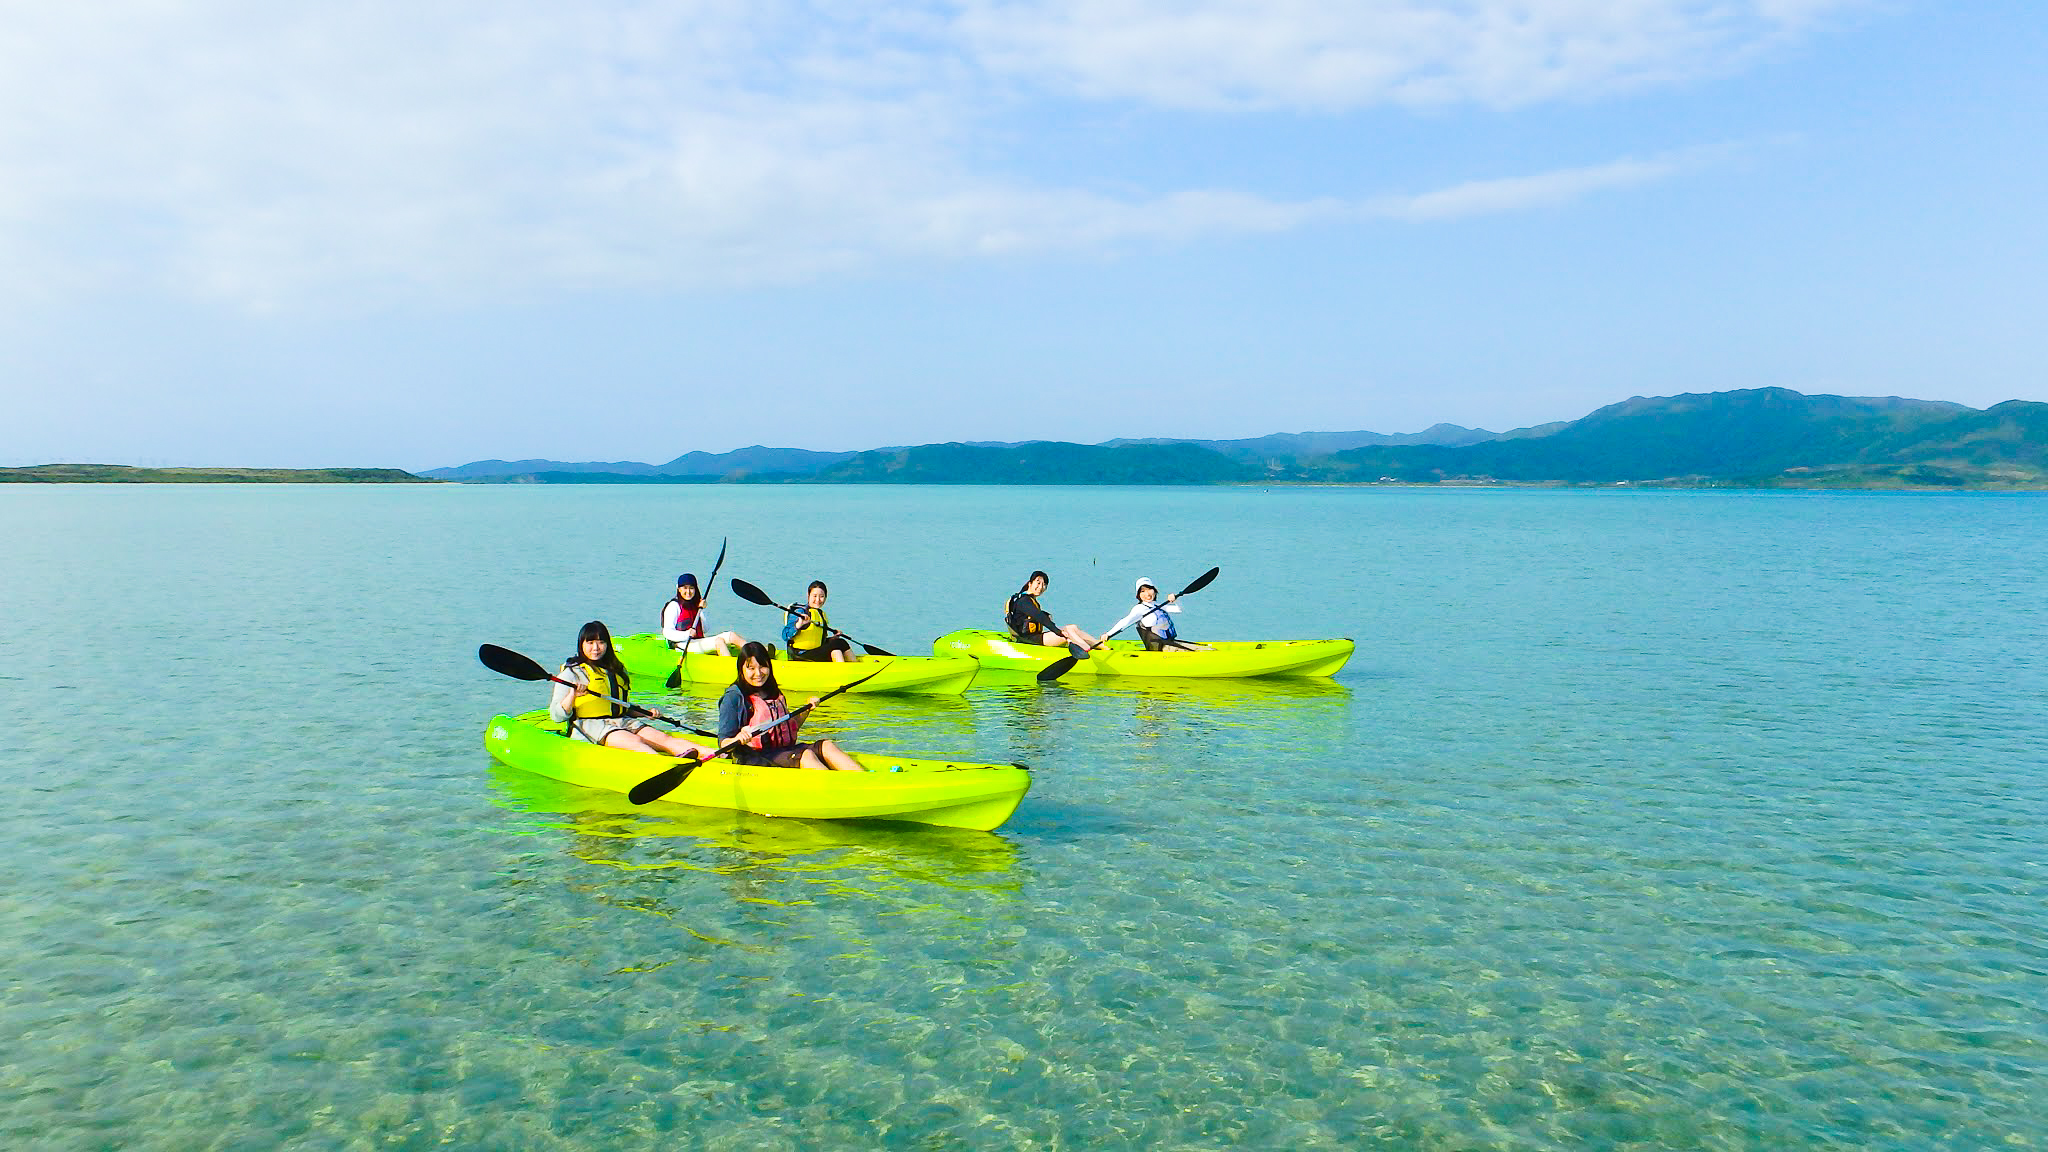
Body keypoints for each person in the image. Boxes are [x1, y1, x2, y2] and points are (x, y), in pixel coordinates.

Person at [550, 621, 715, 758]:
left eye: (601, 642)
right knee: (635, 742)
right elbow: (556, 716)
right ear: (582, 645)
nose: (596, 648)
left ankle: (715, 754)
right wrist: (573, 694)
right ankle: (665, 767)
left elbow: (621, 705)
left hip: (621, 721)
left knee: (663, 739)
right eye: (590, 642)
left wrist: (645, 713)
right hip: (590, 726)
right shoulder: (571, 674)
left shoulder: (615, 669)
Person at [716, 642, 863, 771]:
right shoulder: (734, 697)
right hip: (754, 756)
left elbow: (789, 728)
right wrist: (738, 738)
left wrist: (806, 710)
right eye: (751, 668)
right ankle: (838, 791)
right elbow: (723, 743)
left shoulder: (771, 690)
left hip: (782, 750)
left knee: (826, 745)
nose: (758, 673)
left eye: (762, 667)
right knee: (806, 756)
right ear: (741, 670)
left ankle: (863, 781)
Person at [1103, 577, 1208, 651]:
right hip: (1159, 649)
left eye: (1149, 589)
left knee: (1207, 649)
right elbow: (1125, 621)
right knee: (1202, 651)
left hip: (1169, 643)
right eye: (1142, 591)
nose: (1147, 594)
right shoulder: (1139, 608)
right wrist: (1108, 634)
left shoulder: (1157, 605)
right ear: (1138, 595)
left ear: (1154, 590)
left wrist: (1175, 599)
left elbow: (1179, 610)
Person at [1005, 570, 1099, 649]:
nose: (1041, 587)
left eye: (1044, 585)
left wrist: (1047, 616)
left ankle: (1102, 647)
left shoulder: (1031, 600)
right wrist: (1058, 631)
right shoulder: (1024, 601)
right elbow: (1040, 617)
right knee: (1069, 631)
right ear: (1030, 583)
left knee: (1072, 628)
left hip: (1036, 637)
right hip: (1027, 640)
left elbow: (1037, 615)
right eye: (1038, 583)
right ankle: (1087, 649)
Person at [661, 572, 744, 658]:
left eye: (691, 588)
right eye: (685, 588)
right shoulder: (673, 606)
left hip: (698, 641)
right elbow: (667, 632)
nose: (688, 592)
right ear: (679, 589)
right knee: (719, 641)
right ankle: (730, 668)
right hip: (683, 644)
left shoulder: (695, 605)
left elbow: (706, 629)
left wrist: (701, 610)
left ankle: (755, 655)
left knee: (731, 635)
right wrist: (686, 634)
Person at [781, 580, 855, 662]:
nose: (818, 600)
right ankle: (845, 671)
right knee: (837, 644)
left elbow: (819, 641)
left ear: (825, 598)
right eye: (815, 596)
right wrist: (798, 624)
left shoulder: (821, 614)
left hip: (815, 653)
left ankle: (853, 667)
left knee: (838, 644)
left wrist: (834, 638)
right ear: (808, 595)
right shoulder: (800, 612)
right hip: (800, 655)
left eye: (821, 596)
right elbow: (785, 635)